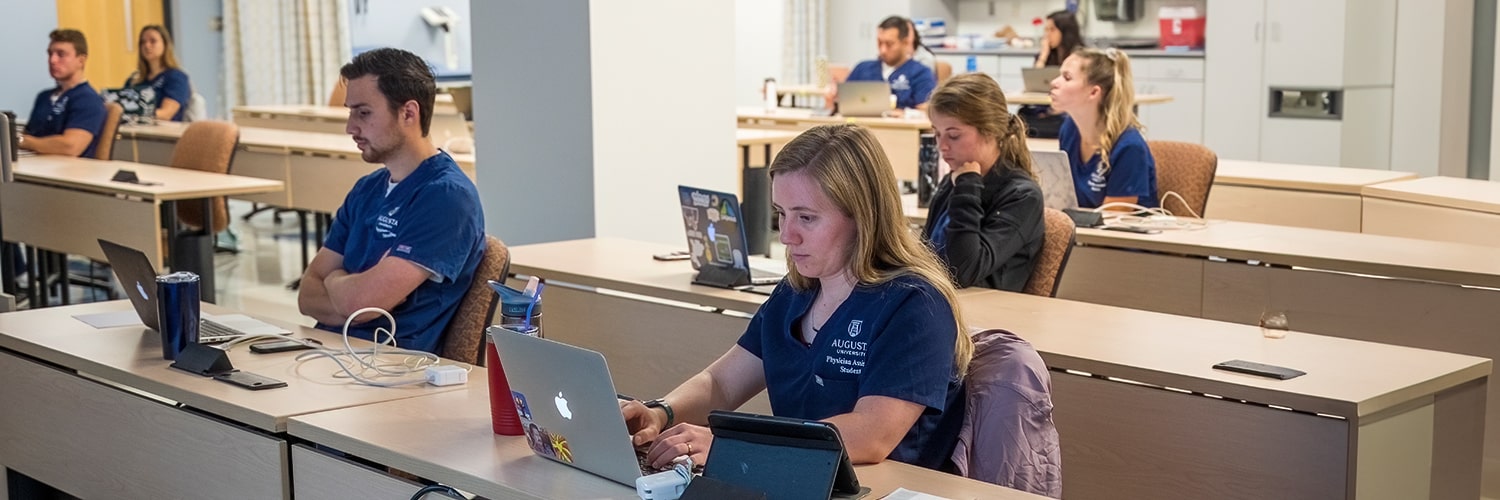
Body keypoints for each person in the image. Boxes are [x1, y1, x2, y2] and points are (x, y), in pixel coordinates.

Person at [621, 124, 972, 471]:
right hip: (796, 478)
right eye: (781, 214)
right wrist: (660, 412)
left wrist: (736, 447)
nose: (787, 236)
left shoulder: (914, 305)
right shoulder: (796, 291)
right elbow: (722, 383)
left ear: (863, 218)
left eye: (806, 217)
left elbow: (872, 435)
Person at [297, 48, 485, 354]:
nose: (350, 127)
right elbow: (307, 295)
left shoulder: (447, 198)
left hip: (387, 369)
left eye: (363, 113)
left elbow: (362, 305)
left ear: (408, 113)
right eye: (350, 112)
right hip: (330, 352)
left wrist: (335, 280)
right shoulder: (366, 189)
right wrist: (349, 292)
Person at [921, 74, 1044, 291]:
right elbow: (926, 254)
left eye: (954, 135)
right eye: (937, 133)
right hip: (941, 301)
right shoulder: (957, 177)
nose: (942, 146)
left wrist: (968, 186)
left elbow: (962, 271)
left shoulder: (1022, 196)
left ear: (990, 131)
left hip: (989, 315)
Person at [1049, 47, 1159, 209]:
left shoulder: (1129, 146)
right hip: (1081, 229)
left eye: (1067, 77)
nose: (1054, 82)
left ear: (1093, 92)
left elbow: (1116, 215)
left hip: (1120, 232)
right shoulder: (1070, 129)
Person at [20, 29, 105, 158]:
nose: (52, 60)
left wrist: (24, 142)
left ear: (81, 60)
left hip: (69, 172)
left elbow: (70, 147)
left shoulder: (88, 99)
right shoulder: (43, 97)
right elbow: (28, 135)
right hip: (35, 165)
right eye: (50, 54)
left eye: (61, 54)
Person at [845, 16, 937, 110]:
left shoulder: (921, 73)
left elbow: (926, 109)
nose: (883, 50)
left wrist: (904, 114)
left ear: (905, 43)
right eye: (879, 43)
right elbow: (844, 102)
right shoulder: (862, 69)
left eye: (889, 44)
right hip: (861, 123)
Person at [125, 25, 191, 122]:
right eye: (143, 42)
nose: (147, 46)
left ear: (165, 45)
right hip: (132, 131)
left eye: (153, 41)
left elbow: (166, 114)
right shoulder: (134, 80)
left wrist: (135, 115)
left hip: (164, 133)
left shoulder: (176, 77)